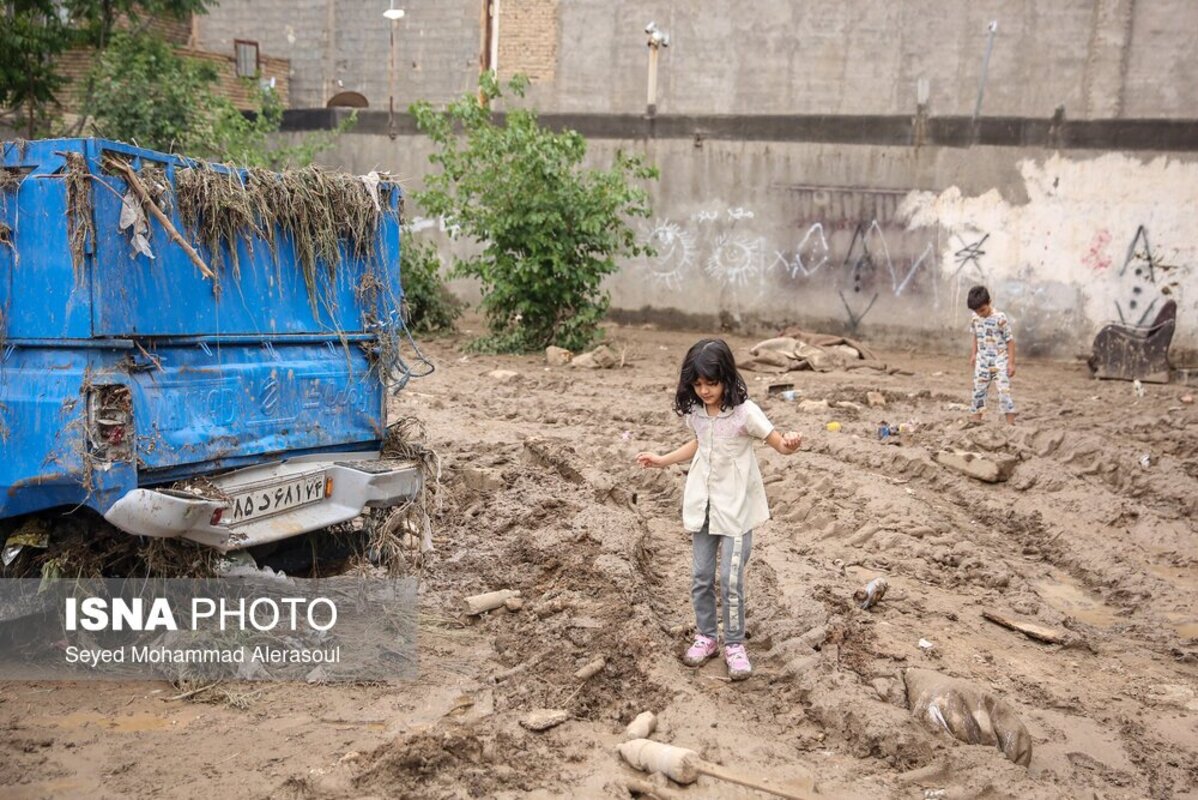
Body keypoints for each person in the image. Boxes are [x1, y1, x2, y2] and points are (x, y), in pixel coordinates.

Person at [635, 338, 801, 680]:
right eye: (697, 384)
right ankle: (707, 636)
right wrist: (663, 460)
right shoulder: (696, 412)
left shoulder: (745, 413)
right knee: (700, 576)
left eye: (711, 383)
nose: (704, 390)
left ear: (726, 376)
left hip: (736, 510)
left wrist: (790, 445)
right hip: (704, 504)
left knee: (729, 580)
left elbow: (779, 444)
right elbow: (699, 442)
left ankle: (735, 644)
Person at [967, 285, 1017, 424]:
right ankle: (975, 422)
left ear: (989, 302)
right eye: (976, 311)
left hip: (999, 360)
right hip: (982, 361)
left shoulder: (1000, 318)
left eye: (982, 310)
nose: (980, 314)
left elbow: (1010, 341)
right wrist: (973, 354)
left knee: (1003, 392)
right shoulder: (975, 318)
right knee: (978, 391)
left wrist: (1011, 363)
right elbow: (976, 336)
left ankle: (1010, 424)